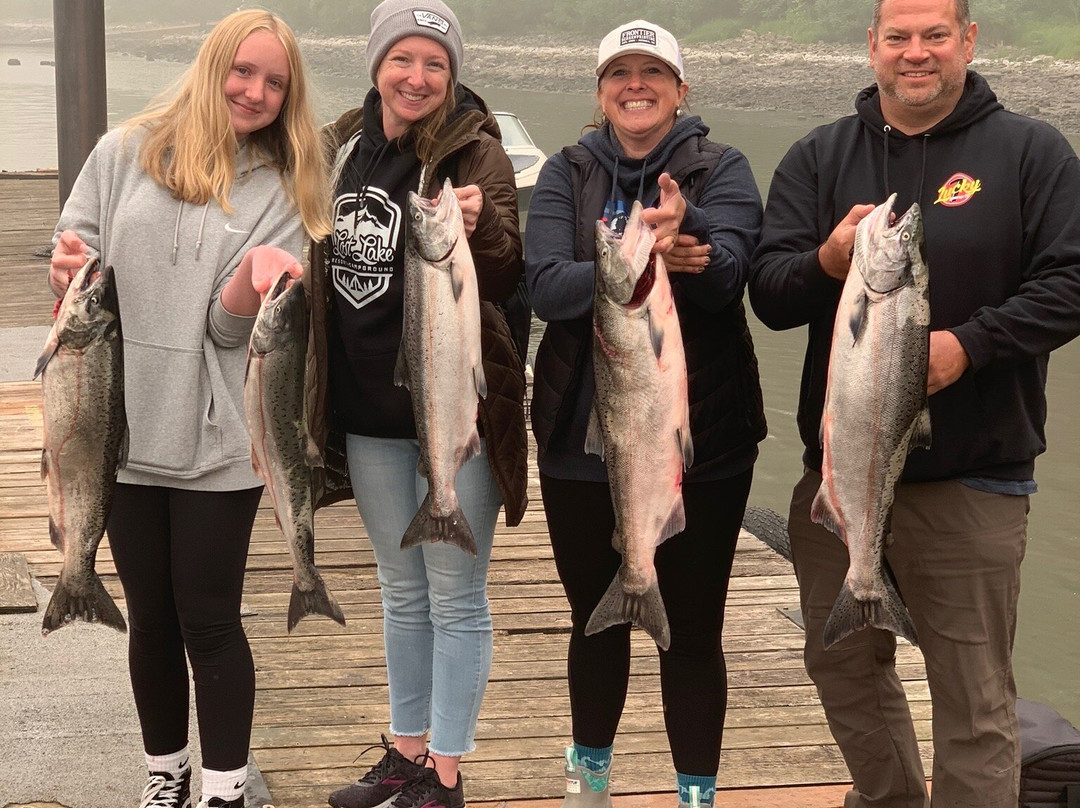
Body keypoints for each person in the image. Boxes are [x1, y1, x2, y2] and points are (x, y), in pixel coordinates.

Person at [748, 0, 1080, 805]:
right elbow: (769, 293)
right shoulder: (820, 155)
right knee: (841, 671)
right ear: (872, 46)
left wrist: (968, 346)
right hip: (838, 477)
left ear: (969, 40)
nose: (916, 52)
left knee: (973, 697)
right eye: (898, 36)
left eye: (935, 34)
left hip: (974, 479)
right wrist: (828, 260)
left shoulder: (1031, 152)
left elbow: (1070, 283)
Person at [47, 9, 330, 808]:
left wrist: (252, 281)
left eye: (275, 83)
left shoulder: (283, 187)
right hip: (116, 428)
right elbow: (74, 258)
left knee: (208, 620)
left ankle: (224, 788)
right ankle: (165, 774)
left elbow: (227, 329)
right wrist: (64, 268)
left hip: (216, 441)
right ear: (212, 67)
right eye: (244, 71)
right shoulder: (123, 152)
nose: (256, 92)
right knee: (150, 621)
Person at [282, 2, 528, 808]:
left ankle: (445, 776)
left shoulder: (476, 150)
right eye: (403, 59)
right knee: (401, 591)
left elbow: (507, 269)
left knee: (456, 596)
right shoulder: (342, 145)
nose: (417, 78)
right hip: (367, 417)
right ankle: (407, 753)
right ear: (376, 64)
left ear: (452, 75)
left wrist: (480, 225)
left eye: (435, 64)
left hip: (457, 418)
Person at [524, 20, 766, 808]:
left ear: (680, 89)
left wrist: (692, 239)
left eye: (653, 72)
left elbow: (731, 275)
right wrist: (622, 261)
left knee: (692, 633)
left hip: (705, 448)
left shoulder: (721, 168)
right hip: (578, 443)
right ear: (600, 92)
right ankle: (588, 783)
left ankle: (696, 794)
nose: (637, 85)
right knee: (593, 624)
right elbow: (543, 285)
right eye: (620, 73)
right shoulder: (565, 172)